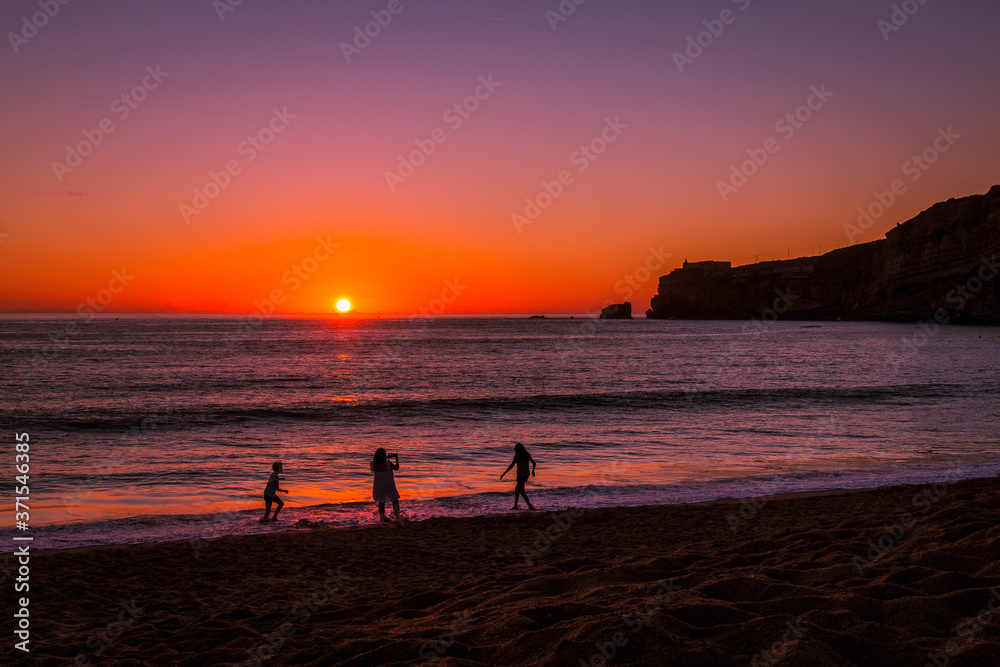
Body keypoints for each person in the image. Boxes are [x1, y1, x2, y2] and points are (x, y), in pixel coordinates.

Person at [500, 442, 536, 510]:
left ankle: (529, 505)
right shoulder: (526, 455)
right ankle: (515, 505)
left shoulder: (517, 457)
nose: (514, 449)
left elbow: (511, 465)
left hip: (520, 475)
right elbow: (534, 463)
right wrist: (533, 471)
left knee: (521, 491)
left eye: (515, 448)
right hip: (526, 474)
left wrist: (504, 473)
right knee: (517, 490)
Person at [371, 448, 401, 522]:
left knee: (381, 501)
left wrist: (386, 458)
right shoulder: (388, 464)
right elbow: (396, 467)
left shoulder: (373, 464)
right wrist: (396, 458)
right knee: (394, 500)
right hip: (389, 484)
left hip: (379, 485)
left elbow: (380, 464)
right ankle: (398, 517)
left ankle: (382, 518)